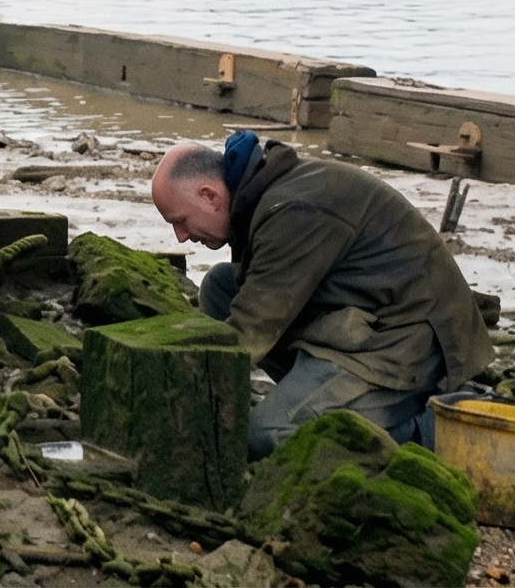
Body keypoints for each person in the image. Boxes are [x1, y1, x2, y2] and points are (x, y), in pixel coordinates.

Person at [149, 130, 490, 456]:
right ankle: (314, 398)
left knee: (263, 435)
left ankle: (433, 427)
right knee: (220, 286)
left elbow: (252, 329)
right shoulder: (260, 195)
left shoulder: (291, 209)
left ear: (210, 195)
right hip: (360, 314)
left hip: (409, 339)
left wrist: (172, 389)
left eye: (180, 221)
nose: (180, 237)